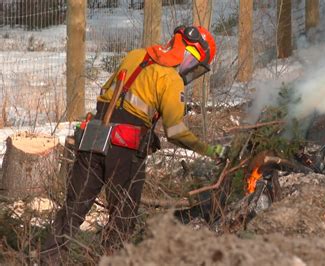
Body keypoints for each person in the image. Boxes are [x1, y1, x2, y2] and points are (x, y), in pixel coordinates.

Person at [41, 25, 224, 261]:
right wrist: (209, 149)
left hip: (94, 136)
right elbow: (176, 130)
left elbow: (113, 97)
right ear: (187, 52)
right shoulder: (170, 79)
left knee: (73, 209)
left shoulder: (136, 55)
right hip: (124, 150)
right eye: (193, 62)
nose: (190, 68)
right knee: (123, 218)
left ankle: (47, 259)